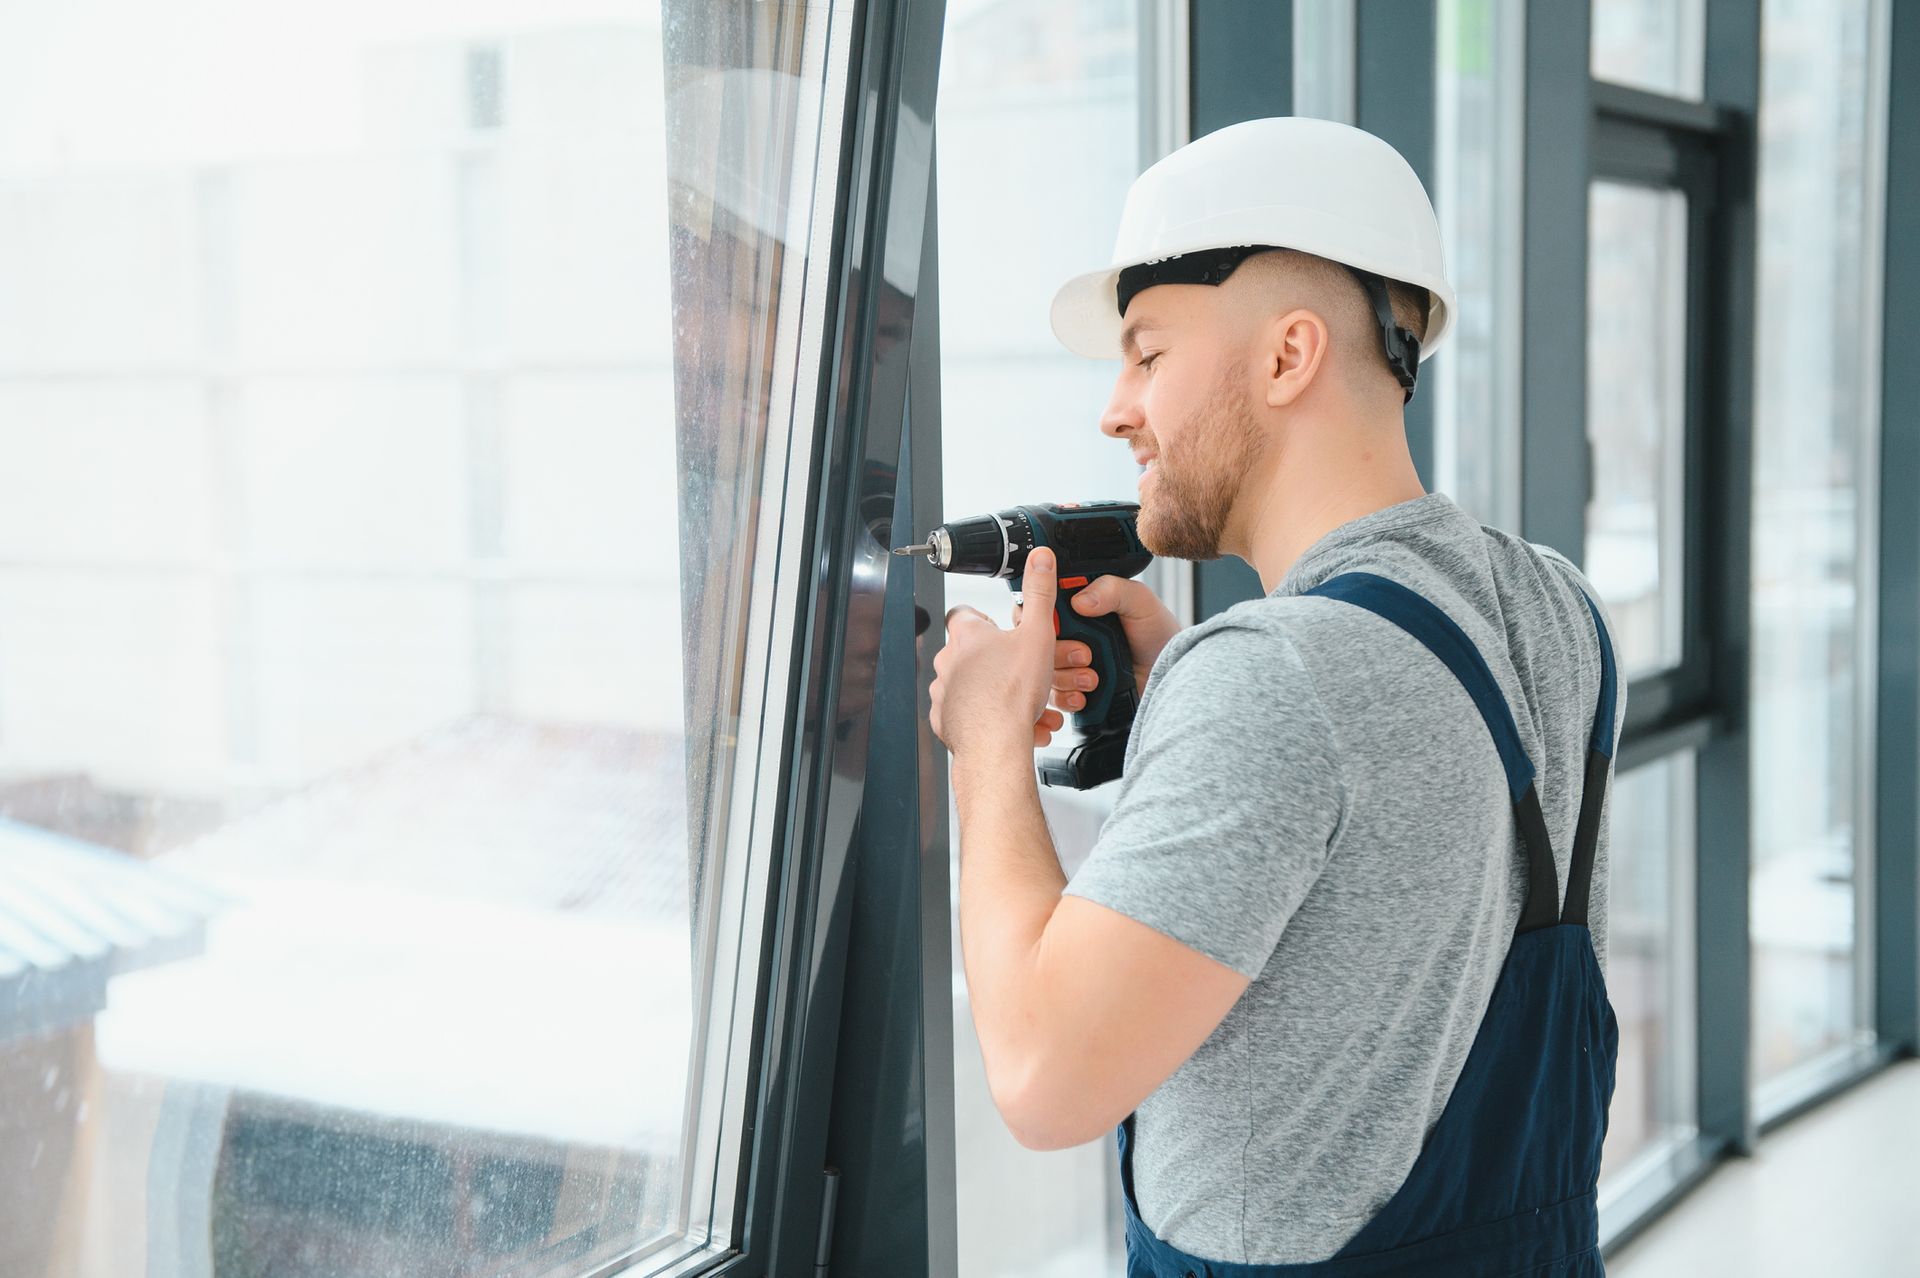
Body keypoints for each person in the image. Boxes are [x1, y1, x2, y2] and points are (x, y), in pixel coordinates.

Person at [927, 116, 1626, 1276]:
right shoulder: (1558, 605)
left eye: (1147, 354)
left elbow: (1044, 1079)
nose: (1115, 408)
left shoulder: (1276, 676)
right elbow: (1402, 839)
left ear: (1289, 356)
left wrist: (985, 746)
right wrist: (1192, 702)